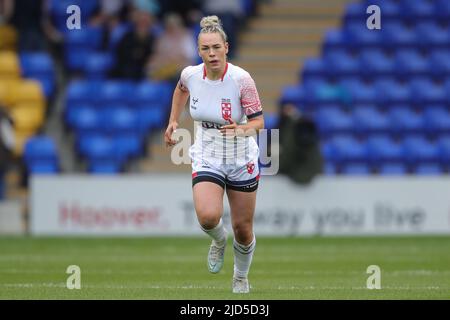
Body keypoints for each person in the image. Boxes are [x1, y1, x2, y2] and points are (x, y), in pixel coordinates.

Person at [164, 15, 264, 293]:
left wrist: (242, 130)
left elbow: (259, 122)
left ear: (226, 47)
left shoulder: (242, 80)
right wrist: (174, 120)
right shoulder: (191, 75)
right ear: (199, 52)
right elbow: (181, 89)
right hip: (207, 153)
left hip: (240, 157)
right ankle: (219, 241)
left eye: (216, 47)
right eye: (206, 49)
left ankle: (240, 277)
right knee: (208, 217)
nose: (211, 54)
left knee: (243, 229)